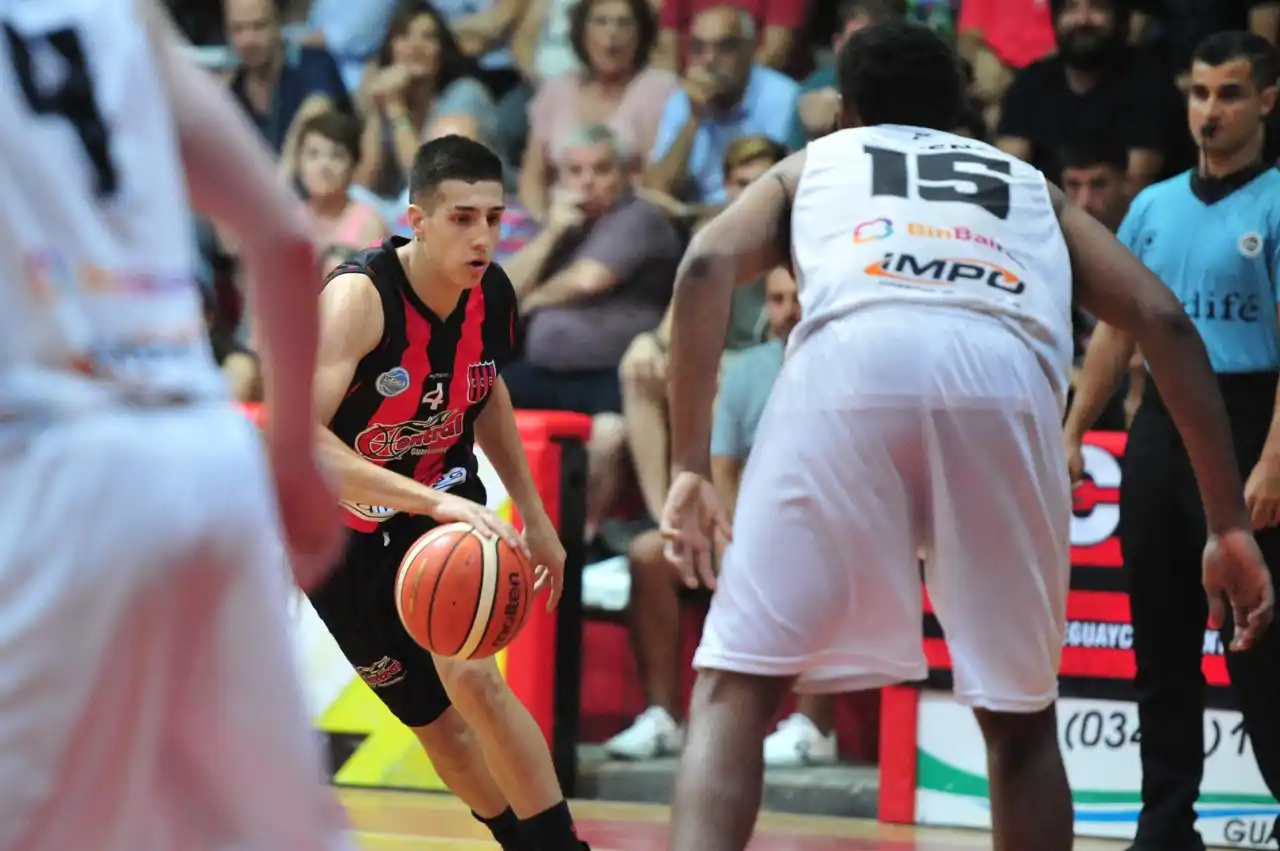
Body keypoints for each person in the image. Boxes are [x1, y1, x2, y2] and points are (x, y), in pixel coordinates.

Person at [657, 20, 1276, 851]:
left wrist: (690, 463)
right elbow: (1164, 319)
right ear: (958, 117)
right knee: (1019, 721)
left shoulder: (820, 162)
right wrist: (1228, 523)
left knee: (734, 687)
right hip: (1006, 383)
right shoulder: (1026, 183)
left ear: (846, 112)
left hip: (852, 367)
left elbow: (701, 266)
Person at [0, 1, 347, 849]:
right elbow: (282, 237)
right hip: (208, 456)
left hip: (48, 467)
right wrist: (295, 464)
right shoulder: (119, 14)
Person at [311, 134, 589, 851]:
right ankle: (511, 837)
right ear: (417, 219)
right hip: (340, 530)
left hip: (440, 496)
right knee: (440, 726)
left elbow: (485, 387)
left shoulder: (491, 291)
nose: (484, 236)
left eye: (494, 218)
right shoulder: (358, 299)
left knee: (476, 678)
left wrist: (534, 513)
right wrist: (424, 501)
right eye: (463, 217)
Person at [1065, 31, 1280, 851]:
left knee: (1262, 646)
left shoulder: (1276, 201)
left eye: (1229, 93)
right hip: (1158, 430)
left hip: (1250, 420)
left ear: (1266, 100)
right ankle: (1164, 824)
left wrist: (1272, 459)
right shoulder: (1152, 206)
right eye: (1199, 94)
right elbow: (1117, 337)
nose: (1210, 111)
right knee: (1160, 636)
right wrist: (1075, 426)